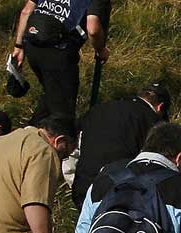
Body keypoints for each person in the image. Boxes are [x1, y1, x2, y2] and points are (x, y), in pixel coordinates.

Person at [11, 0, 110, 128]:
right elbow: (93, 29)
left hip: (32, 45)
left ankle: (31, 131)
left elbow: (26, 12)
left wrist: (19, 46)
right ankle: (43, 140)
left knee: (52, 95)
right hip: (59, 52)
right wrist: (100, 50)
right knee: (62, 114)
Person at [73, 82, 170, 211]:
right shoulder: (152, 121)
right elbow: (156, 166)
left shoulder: (97, 109)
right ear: (160, 107)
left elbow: (72, 150)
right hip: (120, 192)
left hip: (84, 189)